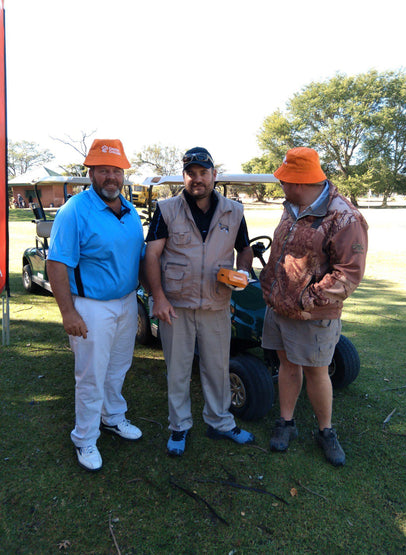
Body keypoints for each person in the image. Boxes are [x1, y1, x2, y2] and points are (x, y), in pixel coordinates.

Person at [260, 147, 368, 466]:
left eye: (284, 181)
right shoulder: (293, 206)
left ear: (300, 182)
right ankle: (286, 423)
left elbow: (348, 274)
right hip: (278, 308)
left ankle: (326, 431)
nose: (280, 185)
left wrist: (305, 300)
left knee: (317, 371)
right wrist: (271, 284)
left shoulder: (344, 216)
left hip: (311, 315)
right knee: (287, 366)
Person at [144, 147, 255, 456]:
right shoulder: (166, 209)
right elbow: (151, 254)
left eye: (203, 173)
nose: (197, 179)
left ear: (213, 175)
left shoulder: (234, 211)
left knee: (217, 368)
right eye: (190, 173)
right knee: (177, 369)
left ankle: (220, 422)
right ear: (184, 176)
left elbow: (244, 248)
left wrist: (243, 271)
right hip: (175, 306)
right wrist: (159, 298)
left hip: (217, 304)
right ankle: (178, 426)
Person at [47, 139, 146, 472]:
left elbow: (138, 257)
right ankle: (85, 438)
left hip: (127, 302)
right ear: (90, 172)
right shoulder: (74, 210)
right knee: (91, 375)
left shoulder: (130, 210)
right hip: (90, 306)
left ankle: (112, 416)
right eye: (103, 170)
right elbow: (57, 263)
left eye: (116, 171)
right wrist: (68, 312)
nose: (111, 177)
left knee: (118, 367)